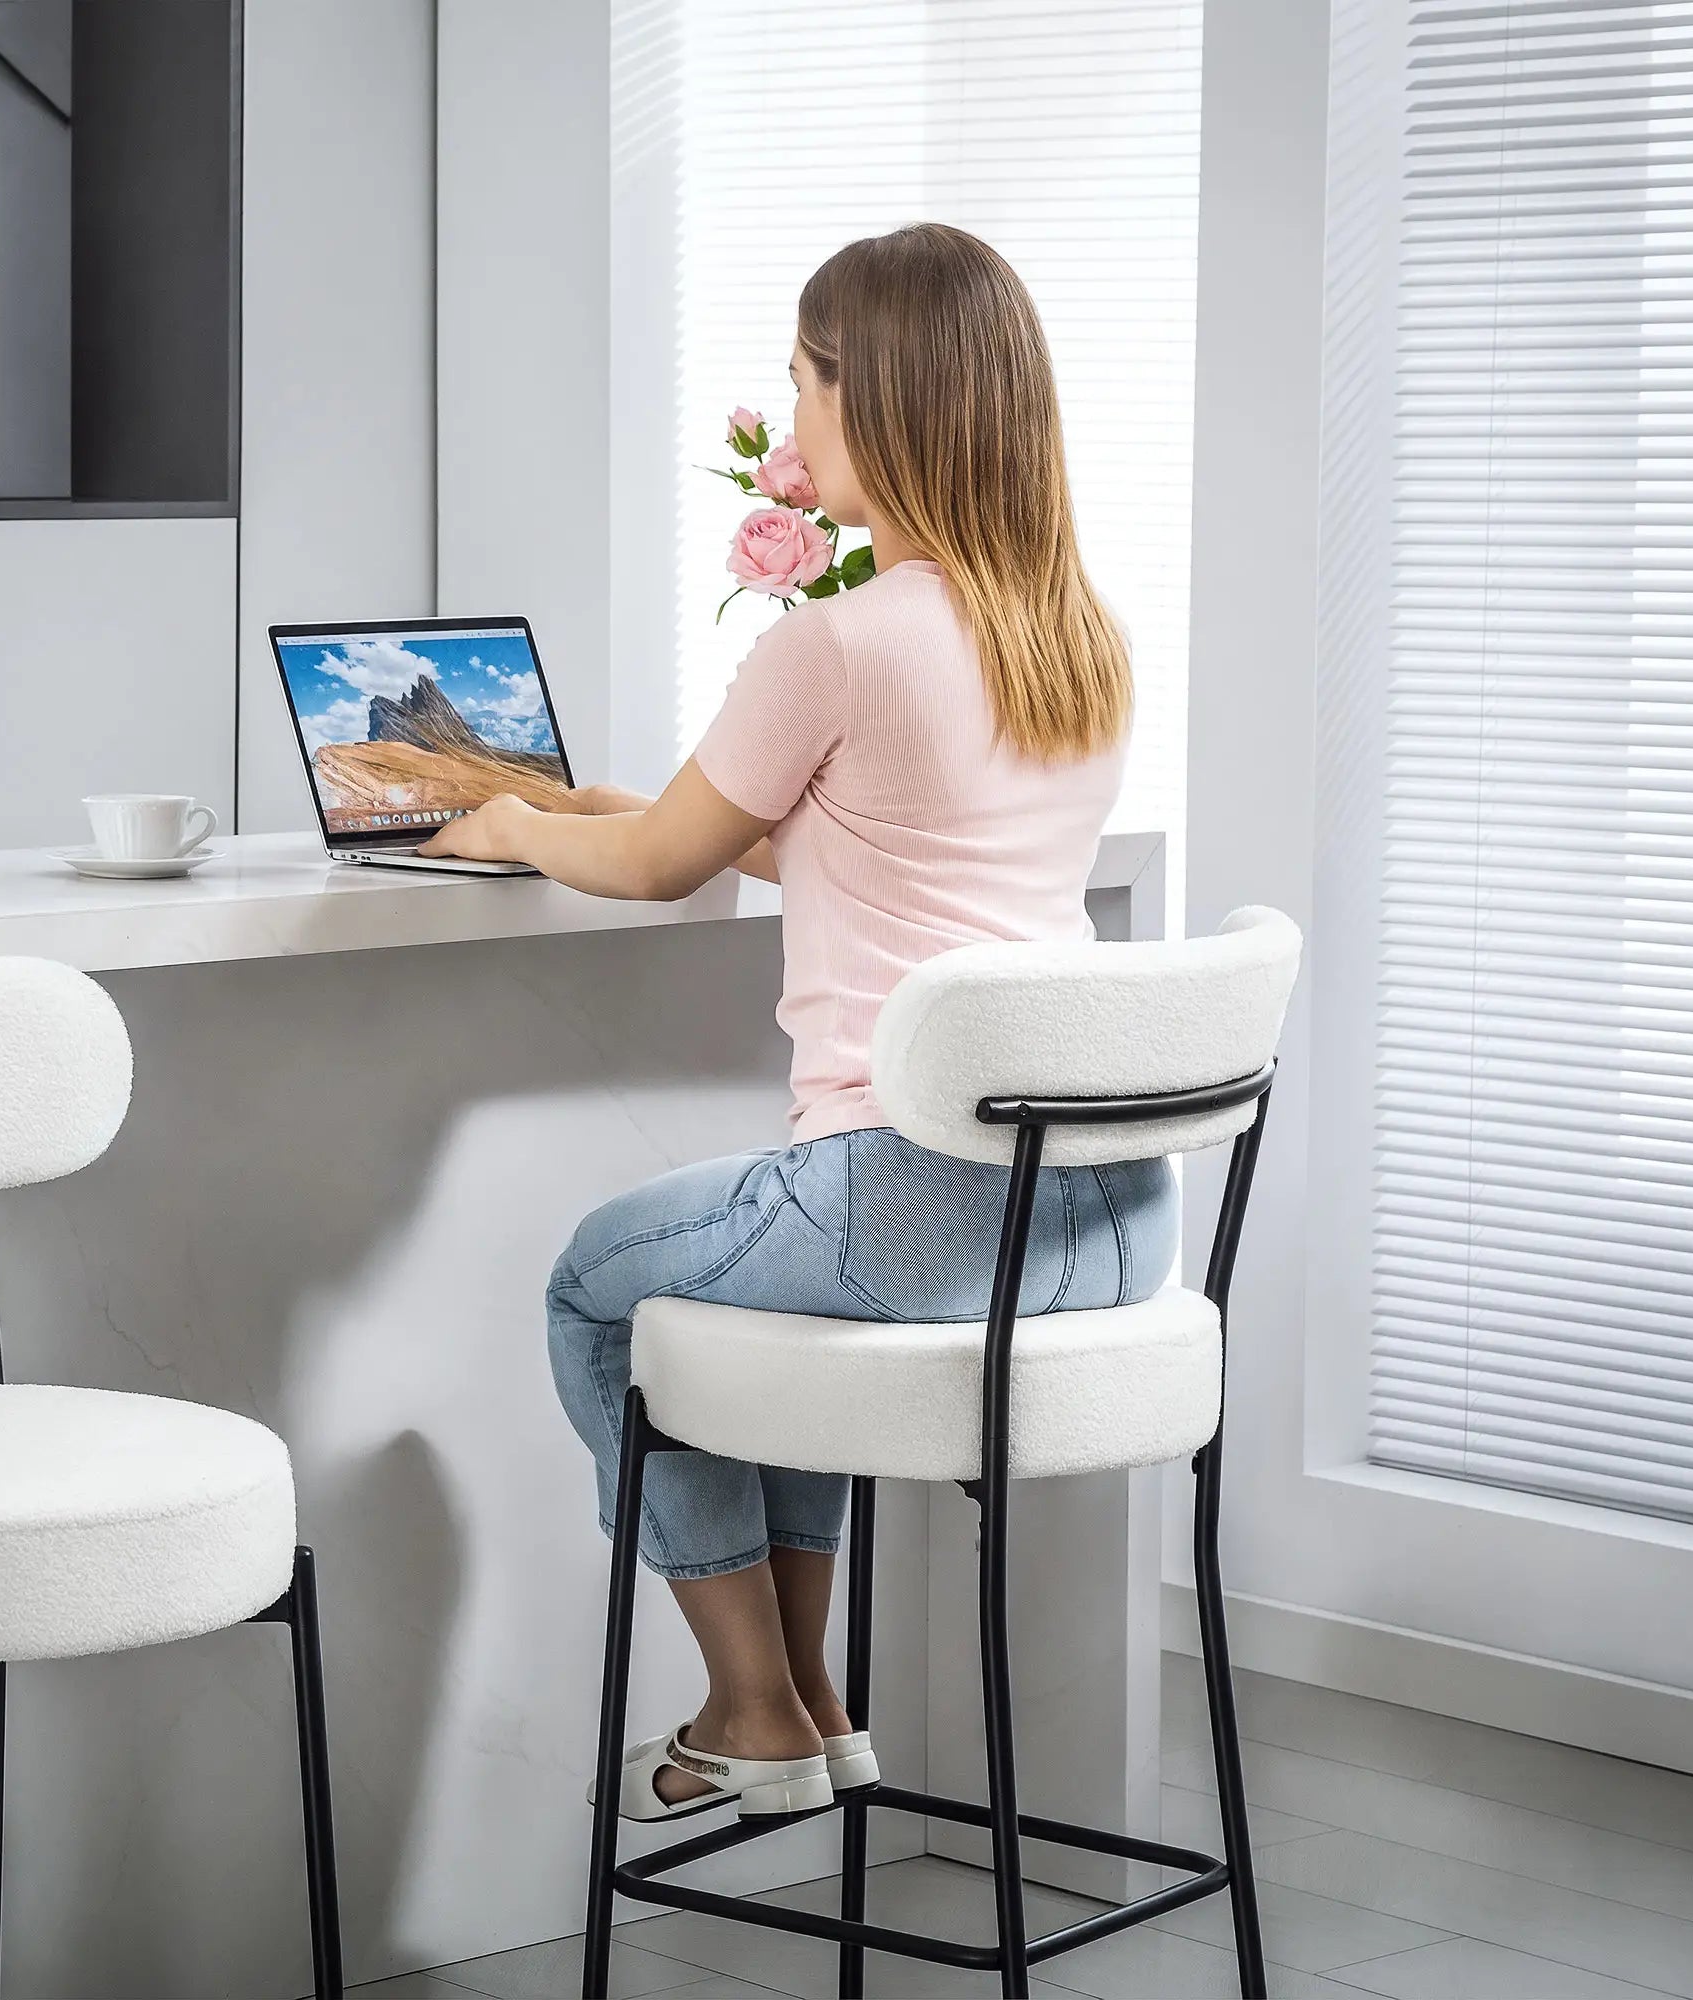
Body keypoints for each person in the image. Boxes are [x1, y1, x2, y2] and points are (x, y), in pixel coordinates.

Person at [420, 222, 1177, 1820]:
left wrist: (512, 828)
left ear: (880, 397)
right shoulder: (1075, 637)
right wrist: (603, 800)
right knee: (777, 1320)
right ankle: (816, 1703)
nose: (792, 423)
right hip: (1105, 1222)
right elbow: (858, 831)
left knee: (593, 1293)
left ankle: (753, 1704)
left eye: (802, 382)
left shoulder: (830, 640)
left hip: (913, 1211)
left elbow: (647, 871)